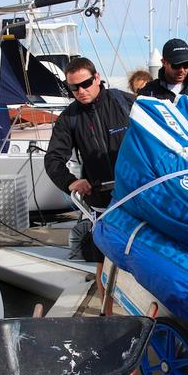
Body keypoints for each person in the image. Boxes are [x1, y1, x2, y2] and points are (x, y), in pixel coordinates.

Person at [44, 57, 134, 314]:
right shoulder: (69, 118)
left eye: (85, 83)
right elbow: (53, 160)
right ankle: (108, 315)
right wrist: (71, 181)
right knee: (102, 261)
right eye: (74, 87)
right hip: (101, 201)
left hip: (137, 197)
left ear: (97, 78)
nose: (81, 91)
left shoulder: (124, 102)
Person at [138, 38, 188, 114]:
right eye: (176, 65)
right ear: (164, 62)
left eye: (186, 64)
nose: (182, 70)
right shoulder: (148, 92)